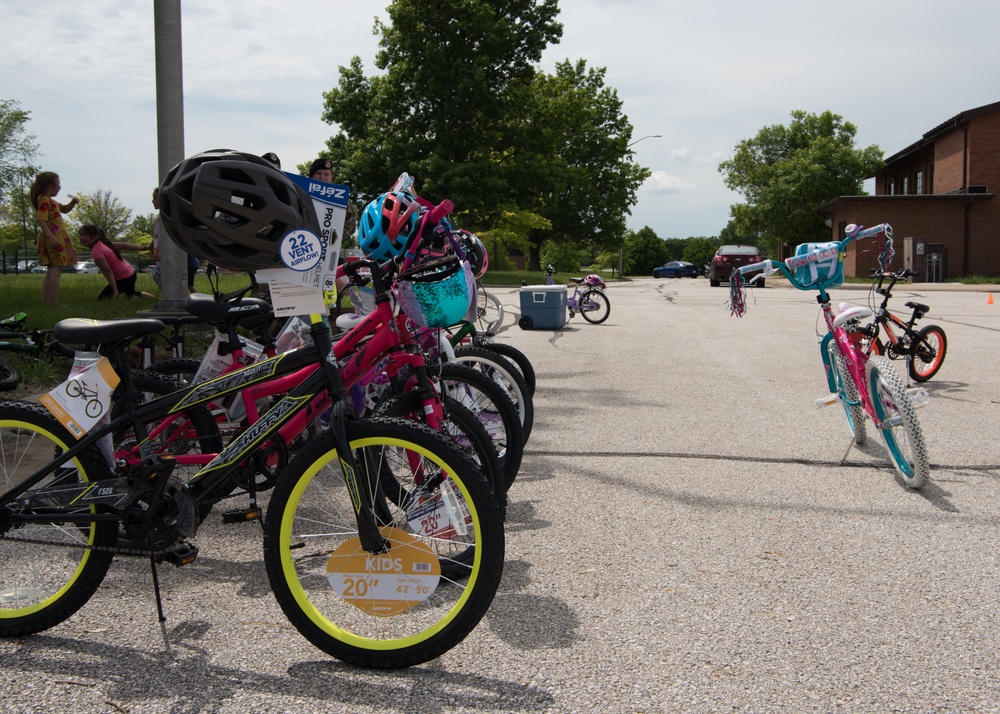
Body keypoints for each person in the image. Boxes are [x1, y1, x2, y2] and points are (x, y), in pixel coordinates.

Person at [30, 171, 79, 305]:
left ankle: (46, 301)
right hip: (54, 238)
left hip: (55, 237)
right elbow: (41, 220)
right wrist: (51, 237)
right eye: (58, 186)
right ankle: (54, 302)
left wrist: (73, 203)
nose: (59, 189)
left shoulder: (50, 201)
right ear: (50, 187)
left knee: (52, 270)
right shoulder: (45, 200)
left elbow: (64, 209)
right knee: (56, 270)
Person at [78, 224, 155, 300]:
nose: (82, 237)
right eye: (81, 235)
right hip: (130, 273)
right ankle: (156, 300)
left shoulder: (96, 251)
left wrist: (115, 291)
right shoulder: (104, 243)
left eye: (86, 234)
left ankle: (135, 300)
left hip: (124, 277)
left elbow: (107, 270)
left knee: (102, 300)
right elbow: (123, 245)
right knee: (131, 293)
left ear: (96, 236)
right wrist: (144, 248)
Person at [151, 187, 199, 293]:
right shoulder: (161, 216)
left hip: (178, 258)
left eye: (155, 198)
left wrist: (158, 251)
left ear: (162, 199)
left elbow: (165, 234)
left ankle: (172, 297)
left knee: (158, 276)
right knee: (187, 285)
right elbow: (157, 236)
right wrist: (151, 248)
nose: (152, 201)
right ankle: (175, 296)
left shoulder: (166, 216)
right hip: (179, 258)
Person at [309, 158, 358, 239]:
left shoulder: (338, 198)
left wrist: (338, 236)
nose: (322, 177)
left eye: (326, 174)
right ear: (311, 176)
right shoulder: (301, 192)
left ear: (331, 177)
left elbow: (353, 214)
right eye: (319, 173)